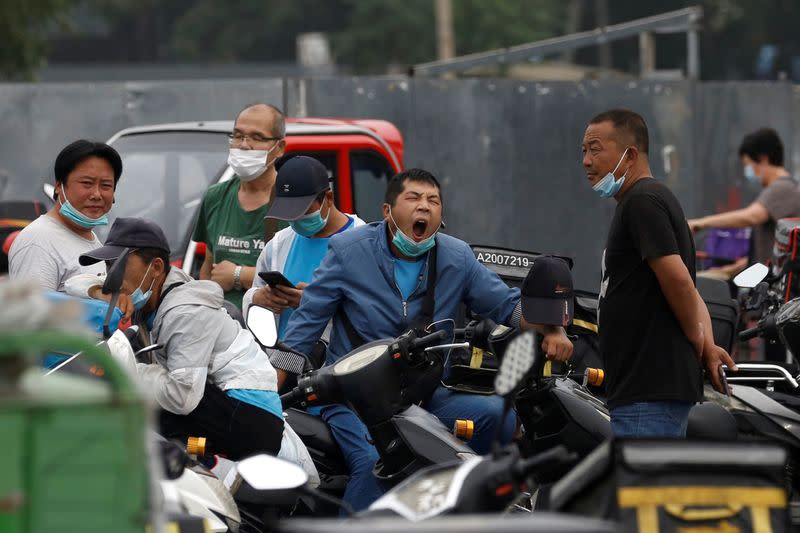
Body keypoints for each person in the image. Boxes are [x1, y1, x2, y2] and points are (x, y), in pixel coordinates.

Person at [270, 168, 573, 511]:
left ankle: (469, 505)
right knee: (378, 461)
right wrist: (272, 388)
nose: (424, 207)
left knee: (497, 416)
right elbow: (304, 327)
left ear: (441, 216)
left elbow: (507, 306)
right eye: (413, 198)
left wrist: (552, 328)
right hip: (354, 399)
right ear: (387, 212)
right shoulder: (347, 251)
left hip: (422, 394)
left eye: (433, 201)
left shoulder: (457, 257)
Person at [582, 109, 736, 438]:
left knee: (646, 488)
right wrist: (708, 345)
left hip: (648, 393)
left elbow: (679, 281)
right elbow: (692, 292)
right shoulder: (644, 200)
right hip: (643, 391)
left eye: (595, 149)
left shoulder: (642, 201)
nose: (586, 161)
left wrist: (696, 341)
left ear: (630, 154)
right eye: (583, 151)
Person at [79, 217, 283, 460]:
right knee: (157, 431)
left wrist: (126, 370)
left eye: (120, 264)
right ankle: (198, 457)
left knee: (150, 423)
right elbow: (72, 283)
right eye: (109, 265)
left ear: (155, 267)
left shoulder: (185, 311)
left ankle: (199, 466)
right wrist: (97, 291)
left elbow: (182, 396)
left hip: (250, 418)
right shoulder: (156, 289)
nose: (112, 274)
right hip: (230, 414)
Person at [242, 155, 365, 340]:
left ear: (328, 198)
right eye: (289, 213)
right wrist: (259, 298)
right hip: (282, 362)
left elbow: (375, 313)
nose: (296, 219)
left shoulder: (365, 242)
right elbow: (253, 295)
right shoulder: (278, 245)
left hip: (338, 364)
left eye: (303, 211)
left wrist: (316, 302)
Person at [193, 103, 289, 309]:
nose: (244, 145)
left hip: (271, 331)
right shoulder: (215, 196)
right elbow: (208, 269)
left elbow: (299, 276)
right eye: (238, 135)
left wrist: (238, 275)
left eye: (257, 137)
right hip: (222, 327)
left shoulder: (293, 202)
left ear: (279, 148)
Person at [9, 140, 122, 292]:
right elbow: (32, 314)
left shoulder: (91, 239)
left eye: (106, 185)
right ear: (58, 186)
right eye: (87, 183)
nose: (96, 194)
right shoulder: (38, 242)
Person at [688, 128, 800, 275]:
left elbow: (750, 216)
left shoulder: (783, 188)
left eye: (747, 164)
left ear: (763, 159)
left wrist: (701, 223)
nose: (747, 171)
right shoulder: (779, 189)